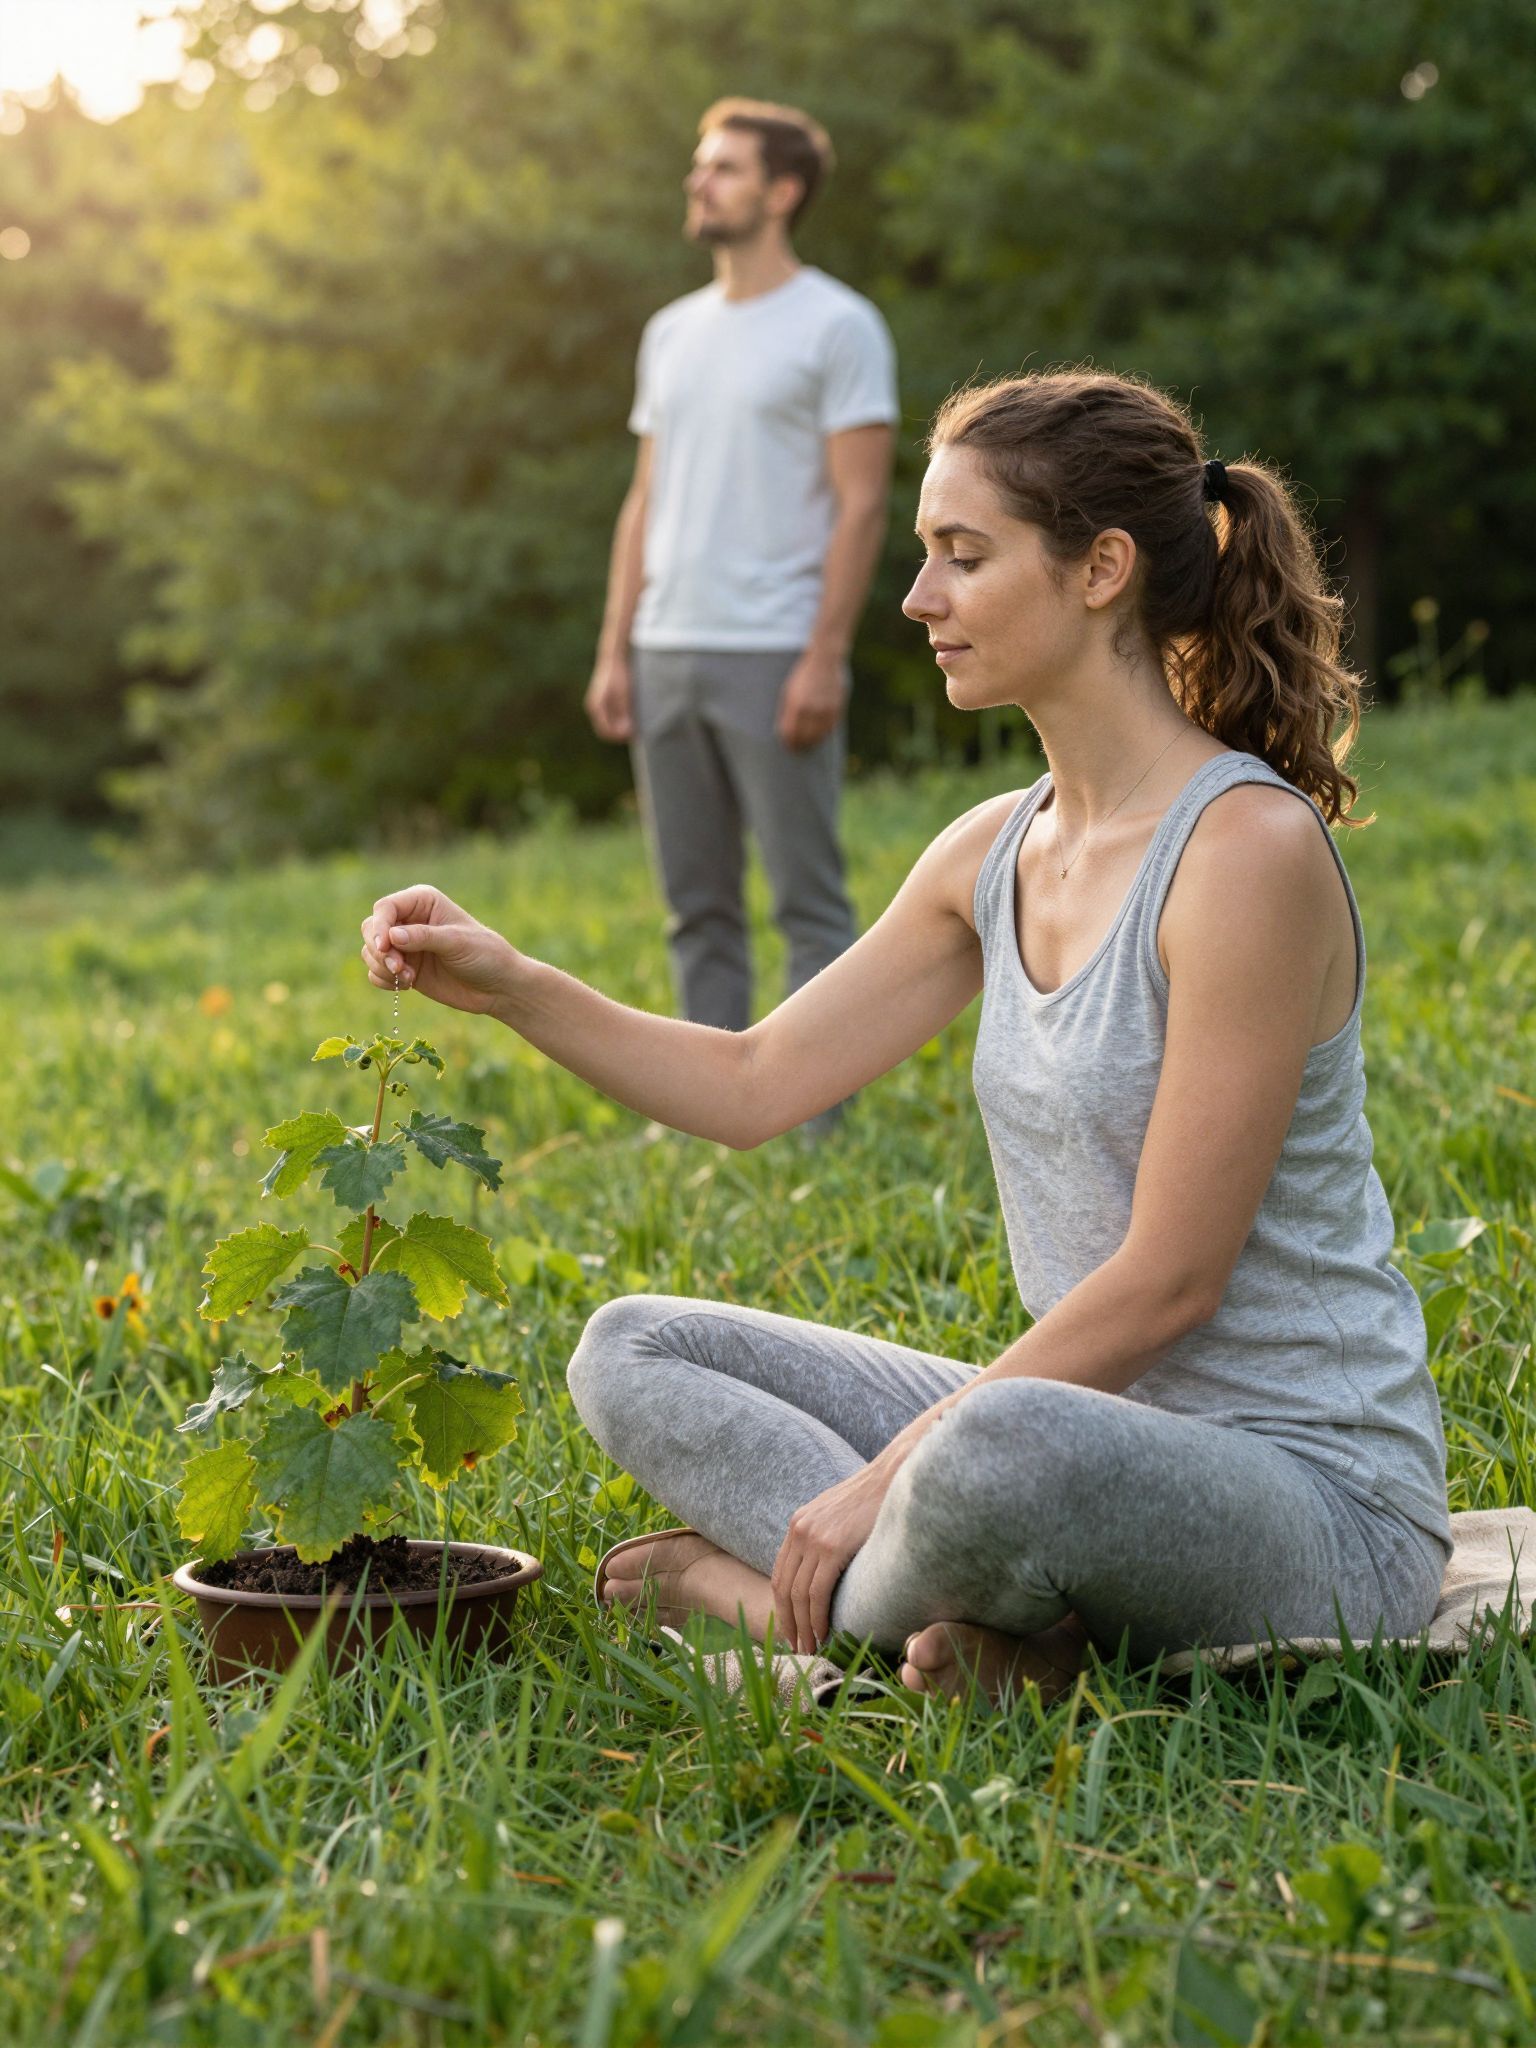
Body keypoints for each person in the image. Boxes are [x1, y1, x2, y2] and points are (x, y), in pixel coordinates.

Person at [362, 369, 1452, 1706]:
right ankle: (982, 1631)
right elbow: (756, 1082)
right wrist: (516, 983)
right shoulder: (993, 851)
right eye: (924, 555)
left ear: (1101, 568)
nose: (918, 599)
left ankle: (754, 1603)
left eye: (963, 556)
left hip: (1317, 1509)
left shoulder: (1244, 855)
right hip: (1083, 1431)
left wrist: (877, 1482)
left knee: (992, 1452)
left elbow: (1172, 1281)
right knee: (633, 1347)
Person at [583, 97, 897, 1066]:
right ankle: (707, 1103)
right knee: (696, 905)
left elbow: (863, 504)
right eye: (700, 164)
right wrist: (614, 648)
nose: (698, 180)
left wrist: (825, 655)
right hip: (665, 645)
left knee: (808, 900)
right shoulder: (671, 332)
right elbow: (645, 498)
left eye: (722, 167)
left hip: (775, 651)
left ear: (782, 191)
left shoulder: (840, 326)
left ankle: (811, 1111)